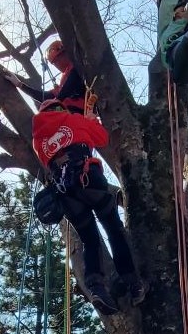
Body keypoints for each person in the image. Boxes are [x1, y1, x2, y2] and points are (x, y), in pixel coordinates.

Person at [31, 97, 144, 315]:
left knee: (89, 240)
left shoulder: (38, 138)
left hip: (65, 192)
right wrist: (90, 119)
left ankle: (96, 288)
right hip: (88, 178)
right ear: (60, 108)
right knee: (113, 228)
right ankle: (132, 281)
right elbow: (101, 138)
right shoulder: (72, 119)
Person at [9, 40, 88, 108]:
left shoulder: (77, 66)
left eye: (57, 60)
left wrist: (56, 101)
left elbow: (71, 83)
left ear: (64, 54)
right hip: (70, 114)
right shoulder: (64, 80)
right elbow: (44, 97)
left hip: (81, 110)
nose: (57, 64)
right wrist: (20, 85)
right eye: (54, 63)